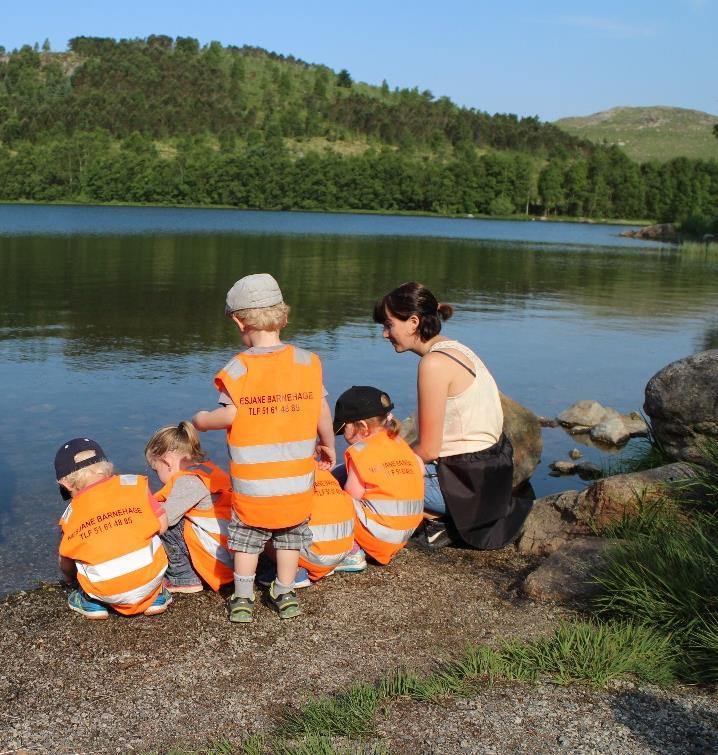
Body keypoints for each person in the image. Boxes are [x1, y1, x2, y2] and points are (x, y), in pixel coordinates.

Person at [192, 273, 336, 622]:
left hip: (253, 488)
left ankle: (243, 598)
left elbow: (229, 416)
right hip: (296, 482)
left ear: (240, 321)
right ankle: (284, 593)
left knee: (245, 541)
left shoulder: (238, 368)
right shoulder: (307, 362)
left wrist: (201, 420)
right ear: (283, 317)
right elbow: (320, 409)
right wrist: (328, 444)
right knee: (289, 538)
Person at [373, 281, 531, 549]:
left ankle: (440, 519)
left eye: (388, 325)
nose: (385, 334)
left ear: (413, 322)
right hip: (493, 477)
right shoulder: (457, 348)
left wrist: (382, 463)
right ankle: (437, 518)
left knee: (365, 477)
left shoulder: (433, 364)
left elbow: (429, 449)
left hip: (468, 488)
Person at [55, 437, 172, 619]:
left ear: (67, 484)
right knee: (151, 532)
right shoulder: (134, 485)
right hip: (150, 579)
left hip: (105, 591)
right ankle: (155, 595)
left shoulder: (70, 515)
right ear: (106, 467)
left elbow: (66, 562)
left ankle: (91, 602)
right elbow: (163, 526)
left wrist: (70, 579)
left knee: (80, 554)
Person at [334, 385, 424, 564]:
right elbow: (419, 469)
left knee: (334, 498)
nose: (343, 436)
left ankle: (353, 551)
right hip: (405, 532)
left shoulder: (361, 452)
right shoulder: (400, 444)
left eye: (344, 429)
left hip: (380, 538)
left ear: (362, 427)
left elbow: (351, 496)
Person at [145, 421, 233, 594]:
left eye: (156, 470)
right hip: (232, 545)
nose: (158, 476)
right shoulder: (206, 470)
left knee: (164, 522)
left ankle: (183, 577)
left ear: (167, 462)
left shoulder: (188, 482)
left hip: (220, 556)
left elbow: (165, 518)